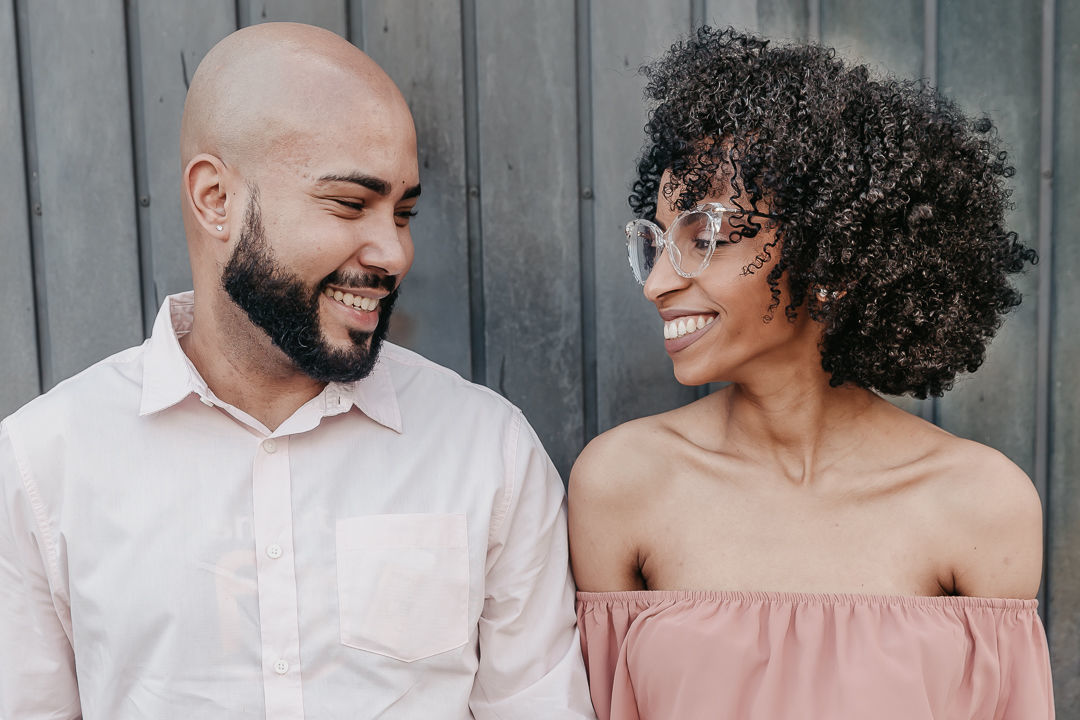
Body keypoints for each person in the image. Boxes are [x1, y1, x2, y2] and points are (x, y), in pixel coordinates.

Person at [0, 23, 594, 719]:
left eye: (402, 213)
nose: (394, 253)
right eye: (349, 204)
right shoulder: (42, 465)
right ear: (216, 200)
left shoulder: (487, 449)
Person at [570, 27, 1053, 720]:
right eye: (656, 241)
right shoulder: (622, 483)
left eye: (704, 239)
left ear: (834, 259)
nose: (655, 285)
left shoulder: (981, 503)